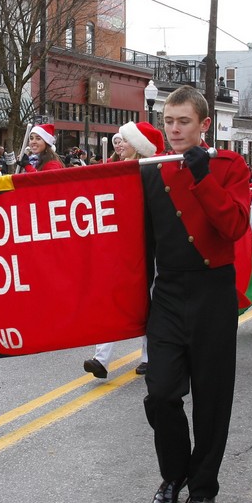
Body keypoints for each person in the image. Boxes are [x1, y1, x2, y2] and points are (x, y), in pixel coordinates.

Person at [142, 86, 250, 503]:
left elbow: (235, 226)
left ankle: (202, 488)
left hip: (213, 291)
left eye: (183, 121)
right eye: (169, 121)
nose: (174, 130)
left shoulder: (228, 166)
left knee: (212, 398)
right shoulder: (152, 169)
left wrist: (203, 176)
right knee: (160, 393)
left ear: (204, 125)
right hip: (167, 292)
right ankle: (173, 474)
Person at [83, 121, 164, 380]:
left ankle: (150, 356)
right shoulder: (114, 169)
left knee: (148, 299)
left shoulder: (151, 171)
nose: (120, 145)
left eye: (126, 141)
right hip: (120, 246)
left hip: (146, 246)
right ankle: (101, 358)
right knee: (113, 297)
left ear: (139, 146)